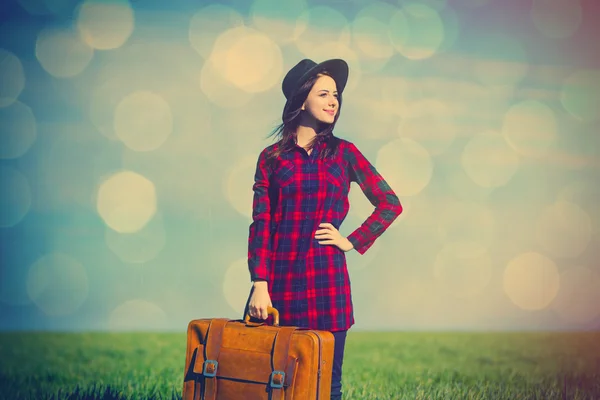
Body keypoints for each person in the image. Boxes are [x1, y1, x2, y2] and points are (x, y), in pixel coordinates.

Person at [246, 58, 403, 400]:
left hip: (327, 286)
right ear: (301, 101)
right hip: (279, 289)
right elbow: (262, 223)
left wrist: (352, 241)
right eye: (324, 93)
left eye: (336, 95)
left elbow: (389, 202)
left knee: (328, 387)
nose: (334, 101)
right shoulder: (271, 158)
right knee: (277, 384)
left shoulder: (344, 153)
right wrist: (259, 282)